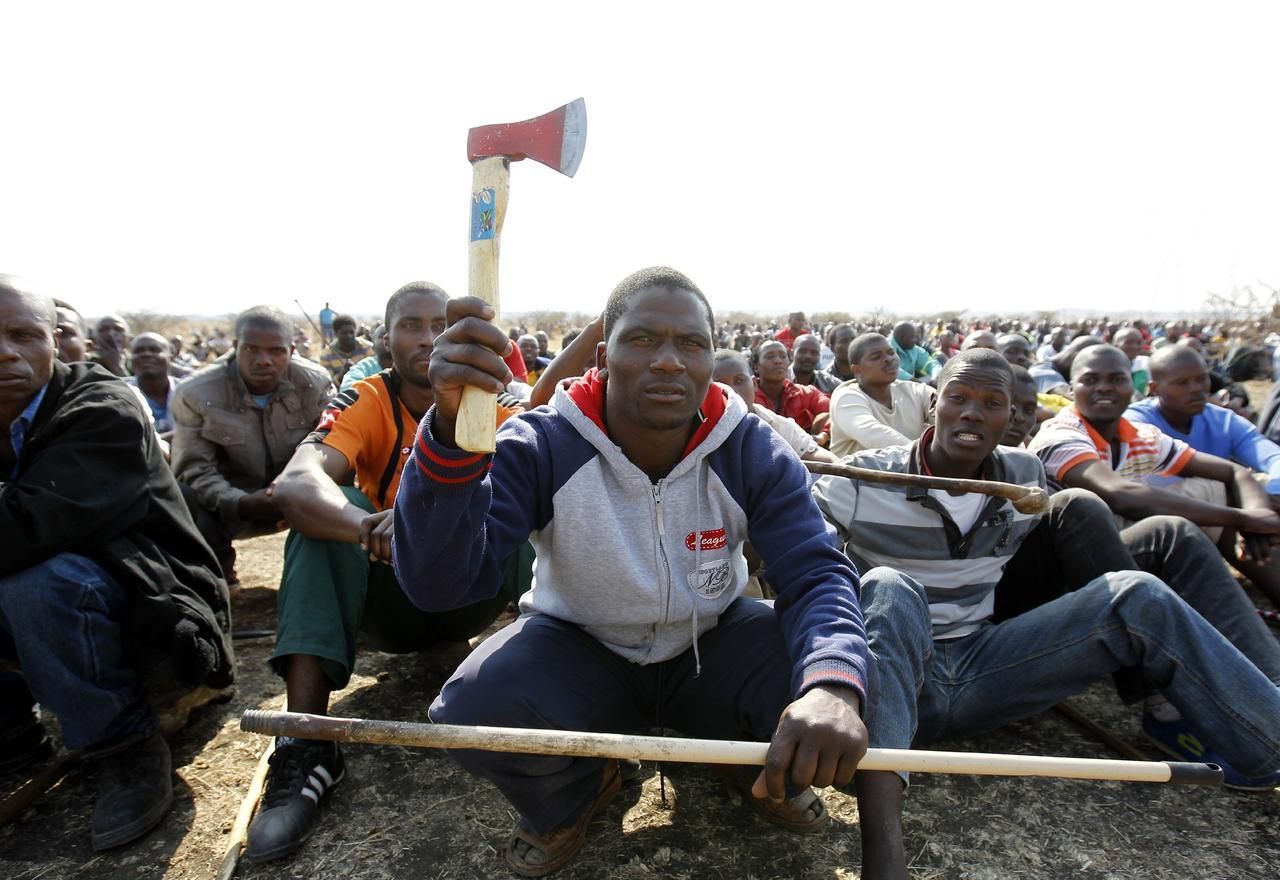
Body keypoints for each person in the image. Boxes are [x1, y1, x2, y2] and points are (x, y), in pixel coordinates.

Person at [395, 267, 872, 877]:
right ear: (603, 356)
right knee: (475, 708)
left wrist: (830, 687)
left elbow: (815, 573)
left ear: (711, 357)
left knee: (847, 669)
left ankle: (740, 759)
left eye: (691, 343)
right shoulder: (541, 444)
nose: (670, 362)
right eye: (643, 339)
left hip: (712, 646)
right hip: (580, 650)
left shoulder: (749, 445)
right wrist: (451, 444)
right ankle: (580, 788)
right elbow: (441, 587)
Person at [813, 349, 1280, 879]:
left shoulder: (1023, 474)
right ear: (933, 406)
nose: (972, 413)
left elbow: (1066, 541)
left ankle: (1269, 750)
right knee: (890, 586)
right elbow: (797, 550)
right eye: (959, 398)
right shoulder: (861, 482)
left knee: (1134, 591)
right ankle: (884, 853)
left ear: (1012, 417)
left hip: (983, 669)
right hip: (902, 681)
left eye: (992, 403)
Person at [243, 281, 523, 863]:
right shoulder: (368, 399)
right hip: (386, 595)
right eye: (412, 326)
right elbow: (294, 485)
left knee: (527, 498)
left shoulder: (494, 404)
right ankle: (306, 745)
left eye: (441, 326)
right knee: (325, 512)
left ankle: (576, 706)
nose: (429, 339)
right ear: (384, 340)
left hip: (470, 590)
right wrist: (366, 526)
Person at [0, 274, 234, 851]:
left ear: (54, 340)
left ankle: (125, 744)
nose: (5, 352)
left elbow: (21, 532)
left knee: (38, 581)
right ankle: (11, 732)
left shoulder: (102, 409)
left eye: (22, 334)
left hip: (155, 612)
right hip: (70, 609)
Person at [1028, 345, 1280, 595]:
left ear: (1132, 388)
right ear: (1072, 390)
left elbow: (1235, 472)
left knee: (1225, 488)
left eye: (1116, 379)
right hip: (1066, 566)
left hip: (1123, 545)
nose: (1104, 387)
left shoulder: (1142, 436)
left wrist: (1257, 519)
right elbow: (1121, 495)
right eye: (1090, 380)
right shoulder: (1061, 434)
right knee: (1170, 532)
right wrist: (1242, 518)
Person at [170, 307, 335, 590]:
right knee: (185, 499)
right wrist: (242, 502)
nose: (263, 360)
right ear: (235, 347)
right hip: (229, 505)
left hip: (300, 495)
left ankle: (320, 584)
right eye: (251, 350)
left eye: (276, 351)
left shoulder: (314, 382)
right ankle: (217, 581)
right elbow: (195, 469)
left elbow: (331, 449)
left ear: (292, 350)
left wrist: (293, 489)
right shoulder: (195, 393)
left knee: (348, 496)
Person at [712, 349, 836, 463]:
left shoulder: (777, 425)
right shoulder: (699, 429)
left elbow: (823, 458)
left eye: (740, 381)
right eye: (719, 384)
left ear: (754, 384)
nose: (732, 391)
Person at [829, 333, 934, 457]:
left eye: (891, 352)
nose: (889, 359)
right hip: (857, 476)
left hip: (912, 471)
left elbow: (947, 412)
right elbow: (875, 435)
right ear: (857, 370)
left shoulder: (915, 390)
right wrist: (922, 458)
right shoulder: (846, 398)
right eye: (876, 357)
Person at [752, 339, 830, 436]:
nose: (778, 361)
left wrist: (824, 434)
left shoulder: (808, 394)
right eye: (769, 356)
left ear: (789, 362)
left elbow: (835, 414)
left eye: (783, 356)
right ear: (756, 366)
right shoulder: (746, 397)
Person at [126, 332, 181, 438]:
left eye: (155, 350)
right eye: (138, 351)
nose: (146, 354)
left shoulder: (188, 393)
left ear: (171, 356)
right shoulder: (120, 395)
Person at [318, 314, 373, 383]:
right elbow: (326, 383)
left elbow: (375, 373)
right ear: (335, 334)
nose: (349, 336)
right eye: (344, 333)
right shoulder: (326, 355)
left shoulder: (367, 347)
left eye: (351, 332)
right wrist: (341, 375)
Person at [339, 323, 392, 391]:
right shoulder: (363, 368)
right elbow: (349, 390)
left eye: (392, 334)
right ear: (373, 347)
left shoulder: (408, 366)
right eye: (382, 335)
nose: (388, 339)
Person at [1112, 327, 1150, 397]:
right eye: (1129, 342)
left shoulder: (1147, 363)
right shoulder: (1107, 366)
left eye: (1139, 342)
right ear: (1116, 346)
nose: (1135, 346)